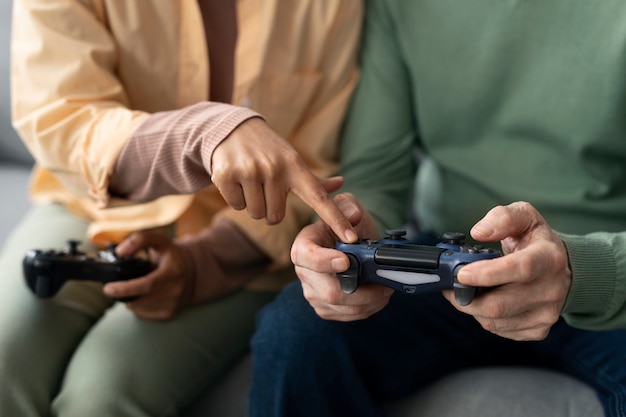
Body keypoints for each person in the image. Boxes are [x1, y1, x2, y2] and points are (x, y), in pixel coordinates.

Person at [249, 0, 626, 416]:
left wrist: (587, 270)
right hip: (449, 268)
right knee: (296, 331)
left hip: (603, 271)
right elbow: (376, 178)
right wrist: (354, 231)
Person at [0, 0, 362, 415]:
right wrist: (199, 133)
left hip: (247, 244)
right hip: (90, 206)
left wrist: (205, 263)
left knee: (103, 398)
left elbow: (318, 170)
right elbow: (60, 119)